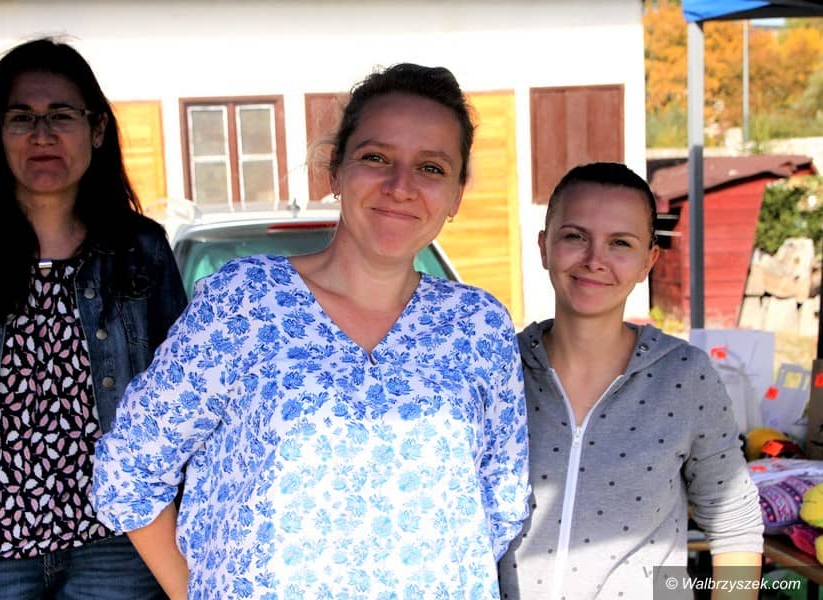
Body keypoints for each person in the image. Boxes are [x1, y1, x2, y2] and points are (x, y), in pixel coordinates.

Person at [91, 62, 531, 599]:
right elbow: (131, 467)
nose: (401, 186)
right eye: (376, 158)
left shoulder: (478, 326)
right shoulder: (245, 303)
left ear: (457, 195)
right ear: (334, 171)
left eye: (431, 168)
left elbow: (500, 503)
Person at [0, 38, 186, 599]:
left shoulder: (140, 248)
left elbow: (180, 402)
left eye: (61, 115)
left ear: (97, 129)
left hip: (117, 540)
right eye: (22, 118)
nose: (42, 135)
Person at [497, 162, 764, 599]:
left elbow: (734, 522)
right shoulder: (498, 369)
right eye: (575, 236)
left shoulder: (685, 375)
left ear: (648, 261)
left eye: (620, 243)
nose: (594, 260)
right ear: (544, 247)